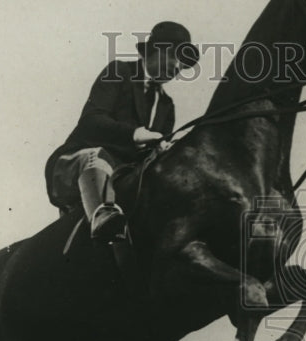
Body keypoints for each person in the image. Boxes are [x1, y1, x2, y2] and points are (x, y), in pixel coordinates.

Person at [45, 21, 198, 242]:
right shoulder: (119, 71)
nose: (178, 68)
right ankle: (102, 215)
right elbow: (91, 121)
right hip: (76, 165)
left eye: (184, 64)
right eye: (176, 57)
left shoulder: (167, 106)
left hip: (120, 178)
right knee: (97, 156)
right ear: (158, 49)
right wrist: (135, 134)